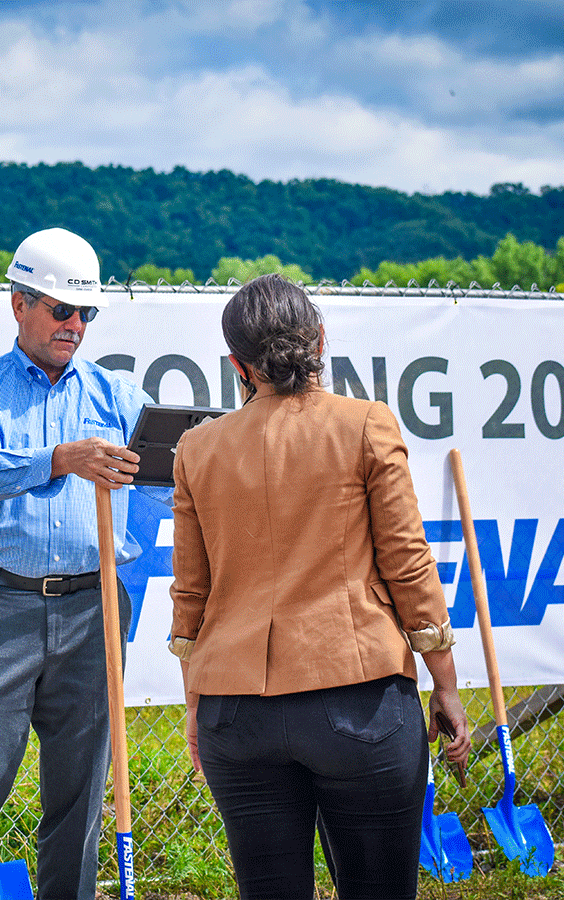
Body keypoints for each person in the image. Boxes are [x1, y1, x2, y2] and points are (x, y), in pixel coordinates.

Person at [169, 273, 470, 900]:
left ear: (238, 365)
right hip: (358, 702)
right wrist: (444, 680)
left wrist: (197, 703)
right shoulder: (365, 424)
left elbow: (189, 596)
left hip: (236, 711)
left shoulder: (197, 448)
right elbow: (409, 564)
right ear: (321, 342)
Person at [0, 227, 163, 900]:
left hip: (95, 607)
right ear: (19, 303)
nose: (75, 325)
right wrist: (63, 459)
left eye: (86, 313)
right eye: (62, 309)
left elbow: (173, 467)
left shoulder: (117, 395)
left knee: (82, 791)